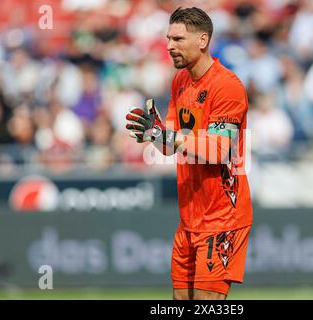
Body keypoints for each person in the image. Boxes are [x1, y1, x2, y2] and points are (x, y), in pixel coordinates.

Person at [125, 7, 253, 300]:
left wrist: (170, 136)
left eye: (178, 39)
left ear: (203, 40)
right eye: (168, 38)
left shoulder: (227, 86)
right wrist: (153, 136)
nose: (169, 46)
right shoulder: (180, 81)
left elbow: (220, 150)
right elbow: (171, 146)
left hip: (223, 214)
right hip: (190, 215)